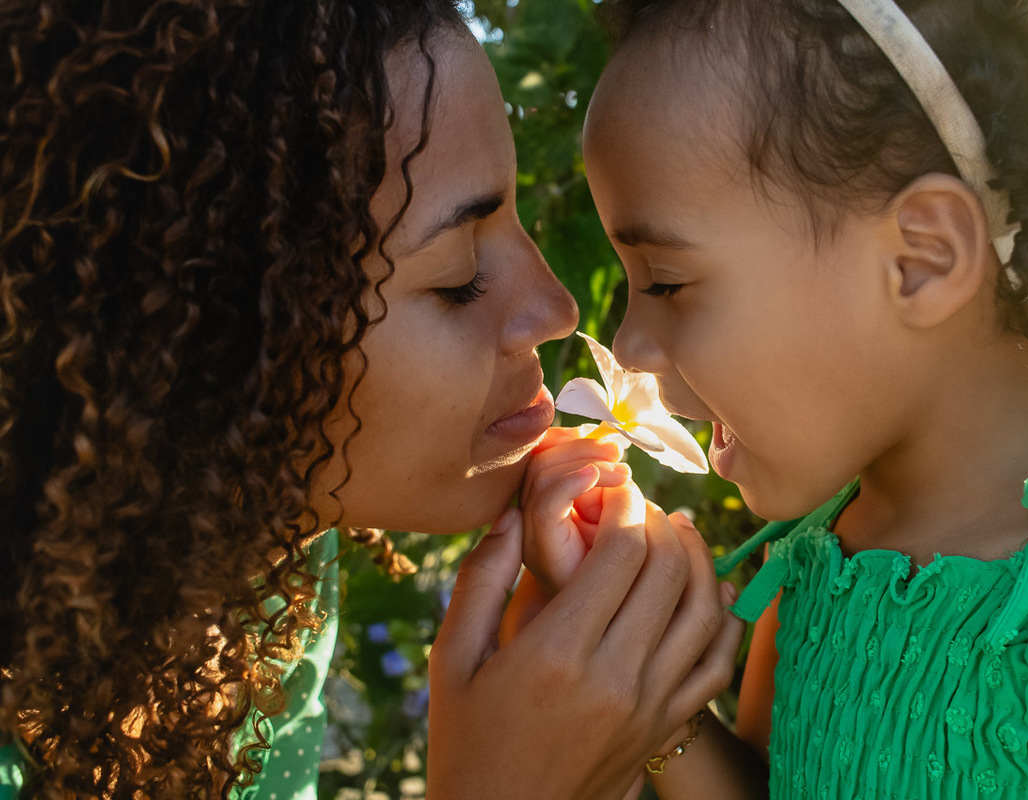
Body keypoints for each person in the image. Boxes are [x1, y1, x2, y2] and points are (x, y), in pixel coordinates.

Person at [0, 1, 743, 798]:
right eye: (459, 277)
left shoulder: (256, 588)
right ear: (207, 348)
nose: (557, 309)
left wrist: (633, 720)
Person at [520, 0, 1028, 796]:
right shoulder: (812, 564)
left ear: (922, 259)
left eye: (667, 280)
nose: (628, 345)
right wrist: (656, 695)